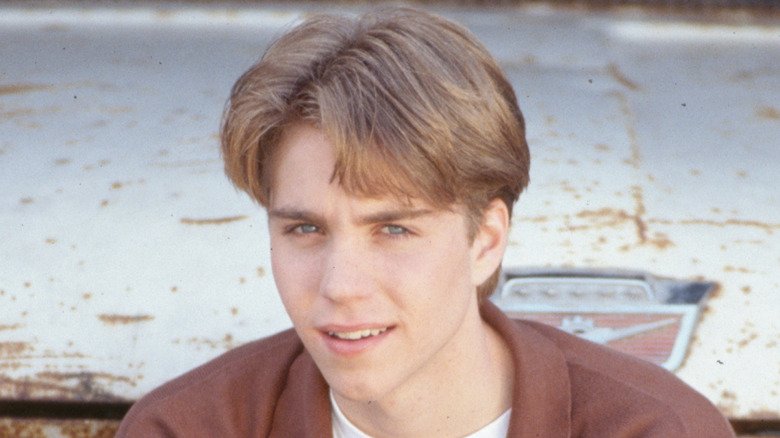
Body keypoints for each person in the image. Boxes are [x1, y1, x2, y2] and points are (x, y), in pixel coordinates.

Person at [117, 7, 735, 437]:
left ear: (486, 241)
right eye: (305, 229)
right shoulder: (187, 428)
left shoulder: (656, 430)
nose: (341, 286)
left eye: (394, 228)